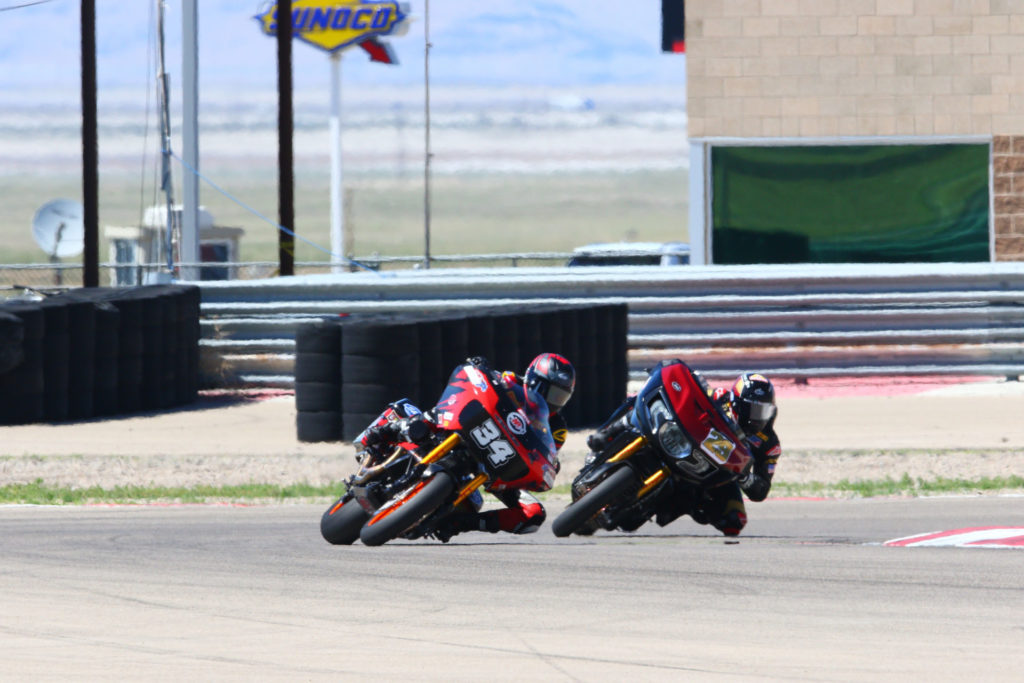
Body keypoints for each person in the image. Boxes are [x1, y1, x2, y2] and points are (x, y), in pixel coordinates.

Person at [359, 352, 576, 542]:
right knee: (406, 411)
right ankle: (376, 440)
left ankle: (457, 522)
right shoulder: (510, 381)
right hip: (466, 427)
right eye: (549, 391)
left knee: (533, 513)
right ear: (533, 378)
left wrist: (551, 467)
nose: (552, 400)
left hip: (499, 459)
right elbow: (479, 384)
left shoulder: (557, 427)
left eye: (560, 396)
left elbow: (548, 453)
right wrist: (480, 367)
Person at [585, 369, 780, 537]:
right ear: (737, 403)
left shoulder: (769, 444)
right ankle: (608, 433)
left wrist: (744, 476)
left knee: (734, 520)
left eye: (763, 412)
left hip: (714, 475)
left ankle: (682, 503)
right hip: (684, 441)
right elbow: (691, 394)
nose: (757, 418)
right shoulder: (719, 397)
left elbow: (761, 491)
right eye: (753, 410)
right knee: (640, 398)